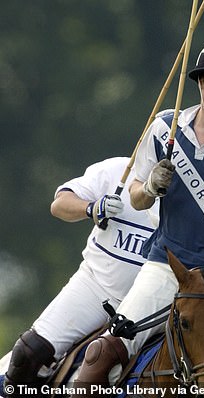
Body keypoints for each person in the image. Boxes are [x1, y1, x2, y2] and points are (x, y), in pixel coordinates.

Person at [73, 41, 204, 397]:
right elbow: (138, 199)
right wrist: (152, 186)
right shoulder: (164, 129)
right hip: (165, 268)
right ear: (200, 82)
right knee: (102, 355)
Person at [2, 156, 159, 395]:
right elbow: (60, 204)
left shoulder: (198, 193)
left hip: (154, 306)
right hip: (95, 287)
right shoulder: (118, 169)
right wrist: (92, 208)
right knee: (30, 353)